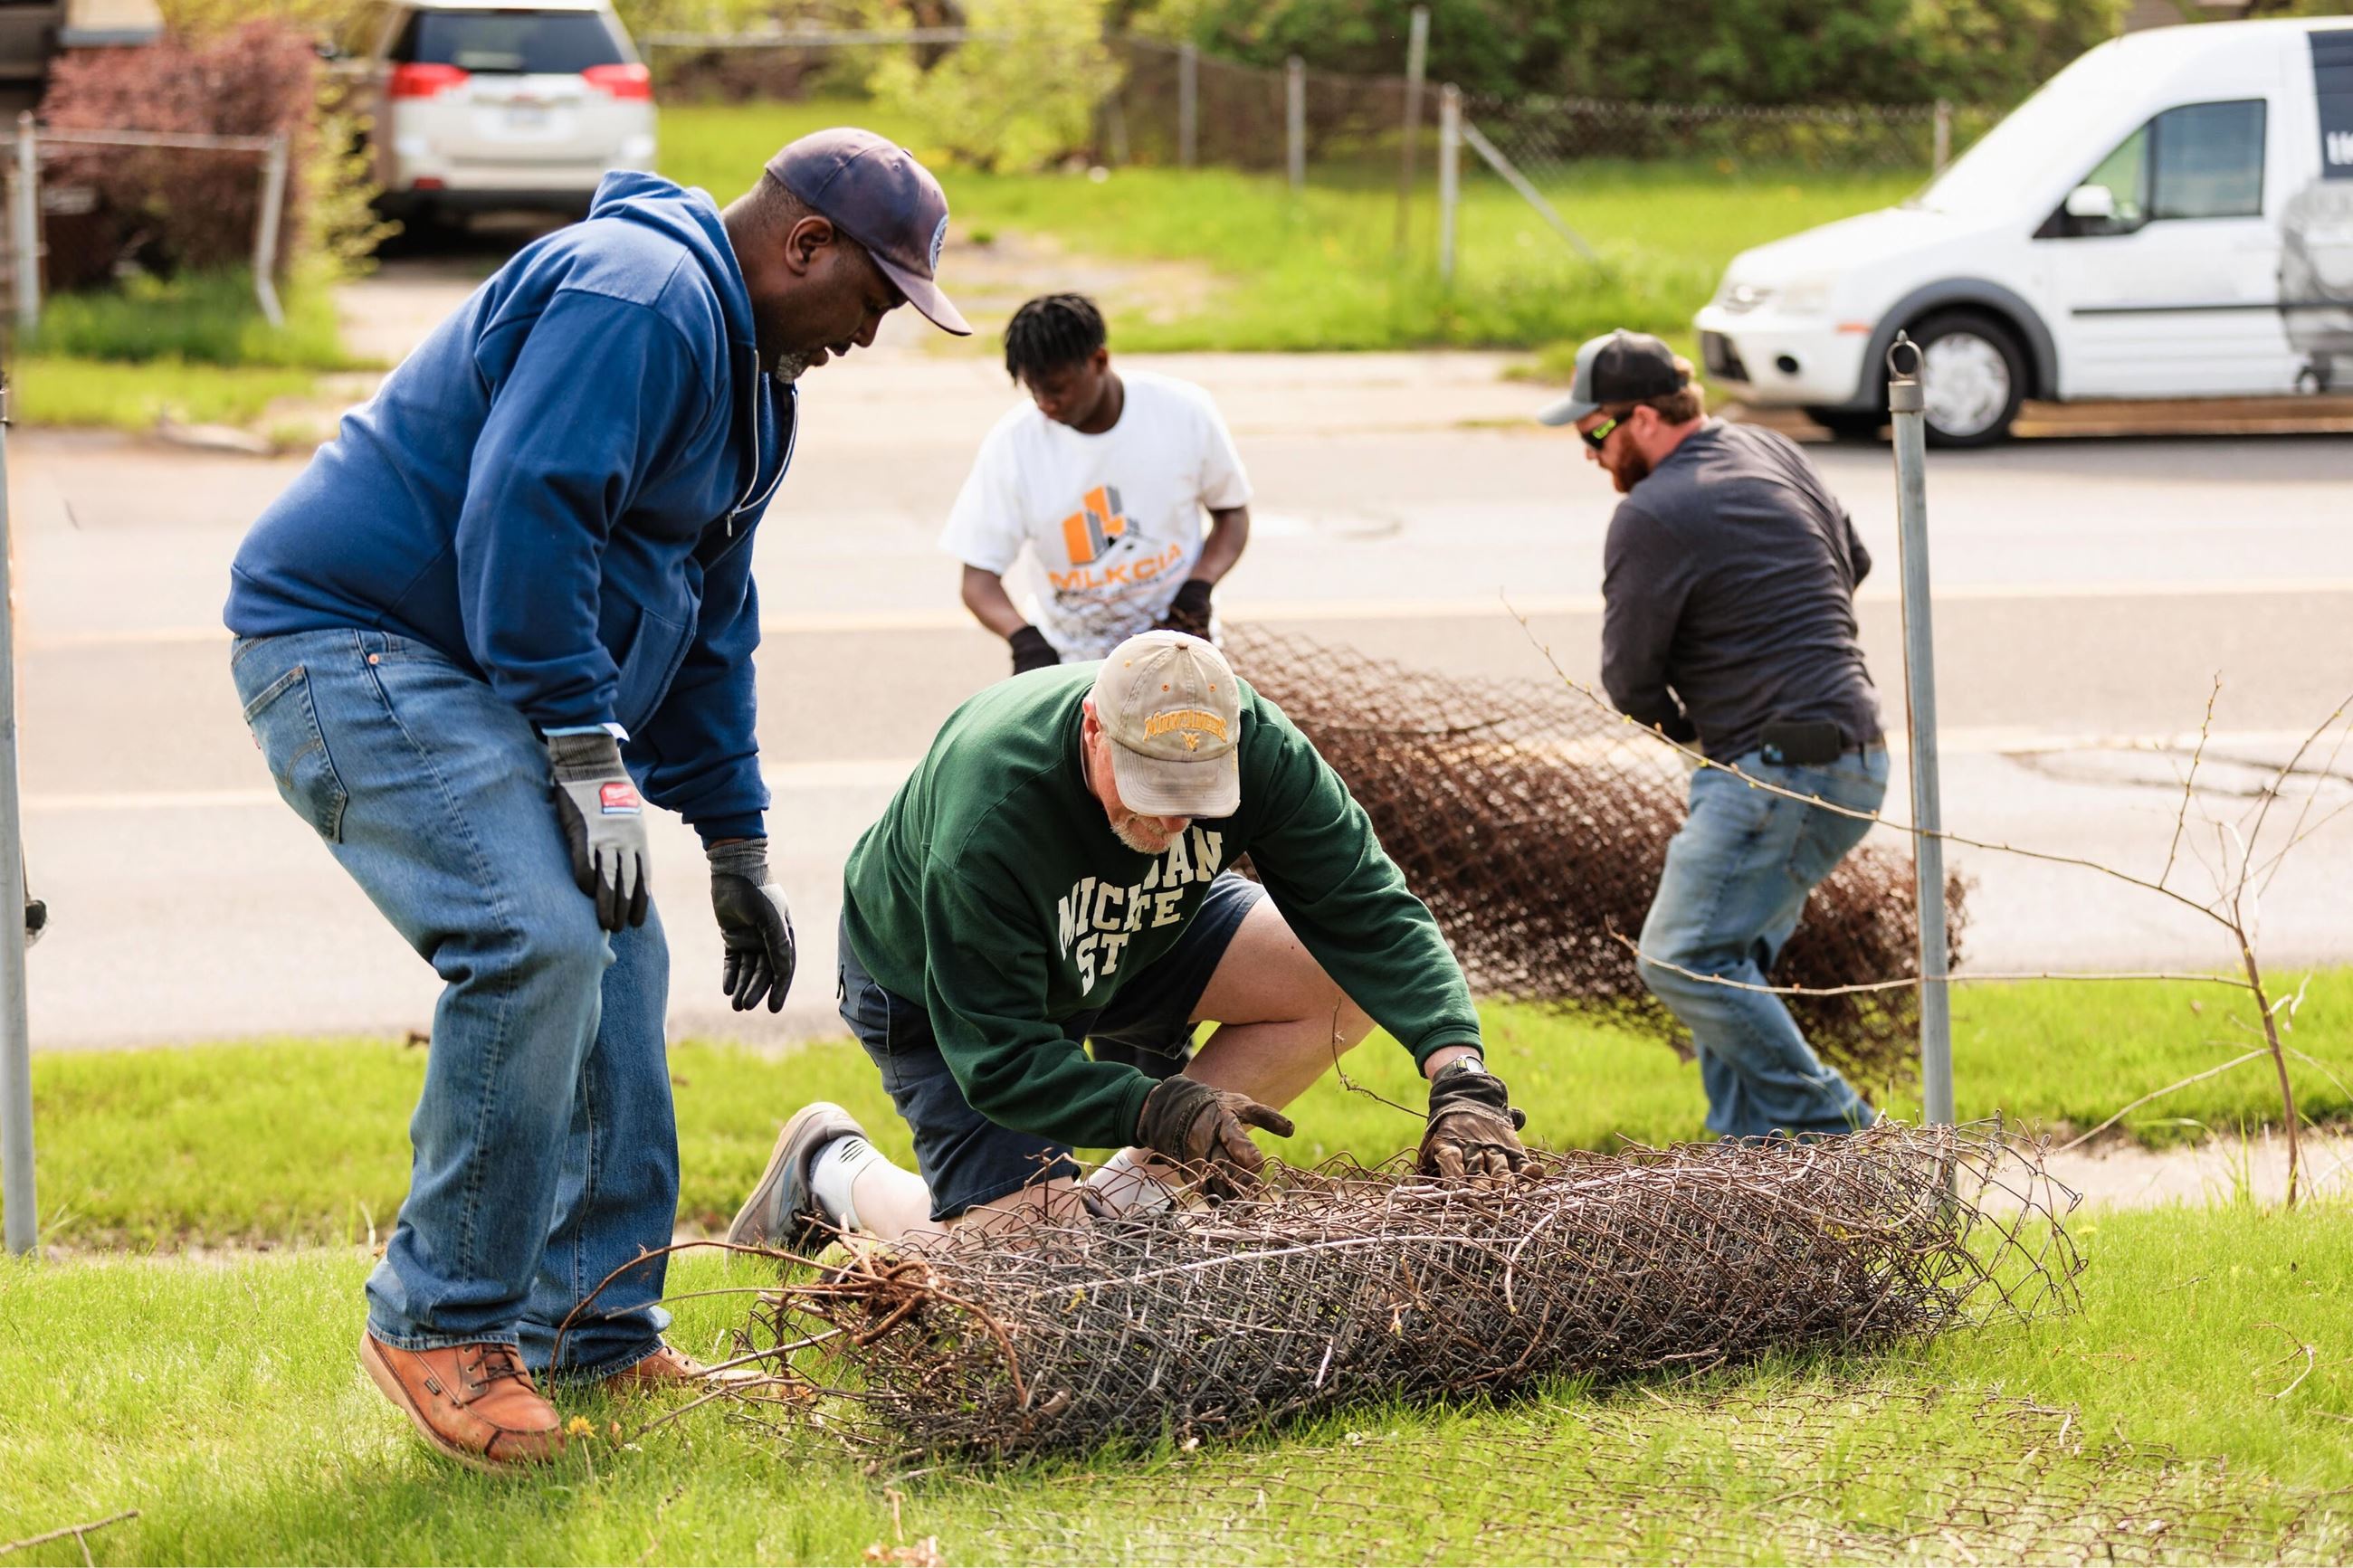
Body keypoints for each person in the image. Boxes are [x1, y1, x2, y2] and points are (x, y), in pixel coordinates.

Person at [224, 129, 969, 1470]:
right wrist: (586, 750)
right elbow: (527, 515)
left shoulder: (755, 388)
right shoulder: (641, 295)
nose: (871, 334)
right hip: (353, 644)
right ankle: (438, 1322)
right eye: (874, 297)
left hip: (471, 670)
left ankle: (594, 1334)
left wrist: (732, 837)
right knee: (536, 938)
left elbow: (707, 617)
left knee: (623, 953)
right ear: (807, 246)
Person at [727, 631, 1529, 1255]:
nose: (1171, 821)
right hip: (938, 986)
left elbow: (1368, 911)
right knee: (1027, 1271)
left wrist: (1460, 1073)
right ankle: (829, 1168)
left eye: (1195, 799)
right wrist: (1155, 1106)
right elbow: (1001, 1056)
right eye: (1149, 789)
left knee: (1337, 982)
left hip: (1133, 930)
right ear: (1094, 729)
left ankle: (1116, 1223)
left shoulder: (1258, 743)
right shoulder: (991, 813)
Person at [1538, 330, 1887, 1142]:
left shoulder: (1652, 513)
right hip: (1856, 755)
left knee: (1680, 957)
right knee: (1730, 965)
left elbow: (1630, 683)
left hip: (1775, 768)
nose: (1589, 453)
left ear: (1648, 418)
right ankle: (1743, 1175)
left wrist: (1709, 728)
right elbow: (1855, 559)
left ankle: (1854, 1140)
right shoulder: (1770, 448)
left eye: (1595, 432)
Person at [942, 293, 1253, 677]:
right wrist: (1025, 639)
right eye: (1033, 391)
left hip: (1178, 649)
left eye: (1057, 389)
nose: (1045, 404)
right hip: (1072, 663)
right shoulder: (1014, 444)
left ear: (1099, 361)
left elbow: (1232, 513)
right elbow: (978, 580)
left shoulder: (1183, 412)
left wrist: (1197, 590)